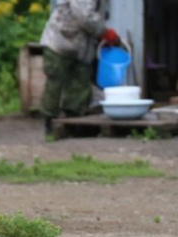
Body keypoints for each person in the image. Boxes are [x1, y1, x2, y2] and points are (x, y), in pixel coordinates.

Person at [39, 0, 120, 138]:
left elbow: (95, 16)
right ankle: (49, 125)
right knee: (55, 85)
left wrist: (101, 33)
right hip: (59, 43)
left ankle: (73, 125)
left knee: (79, 87)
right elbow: (84, 17)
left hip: (79, 46)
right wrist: (105, 32)